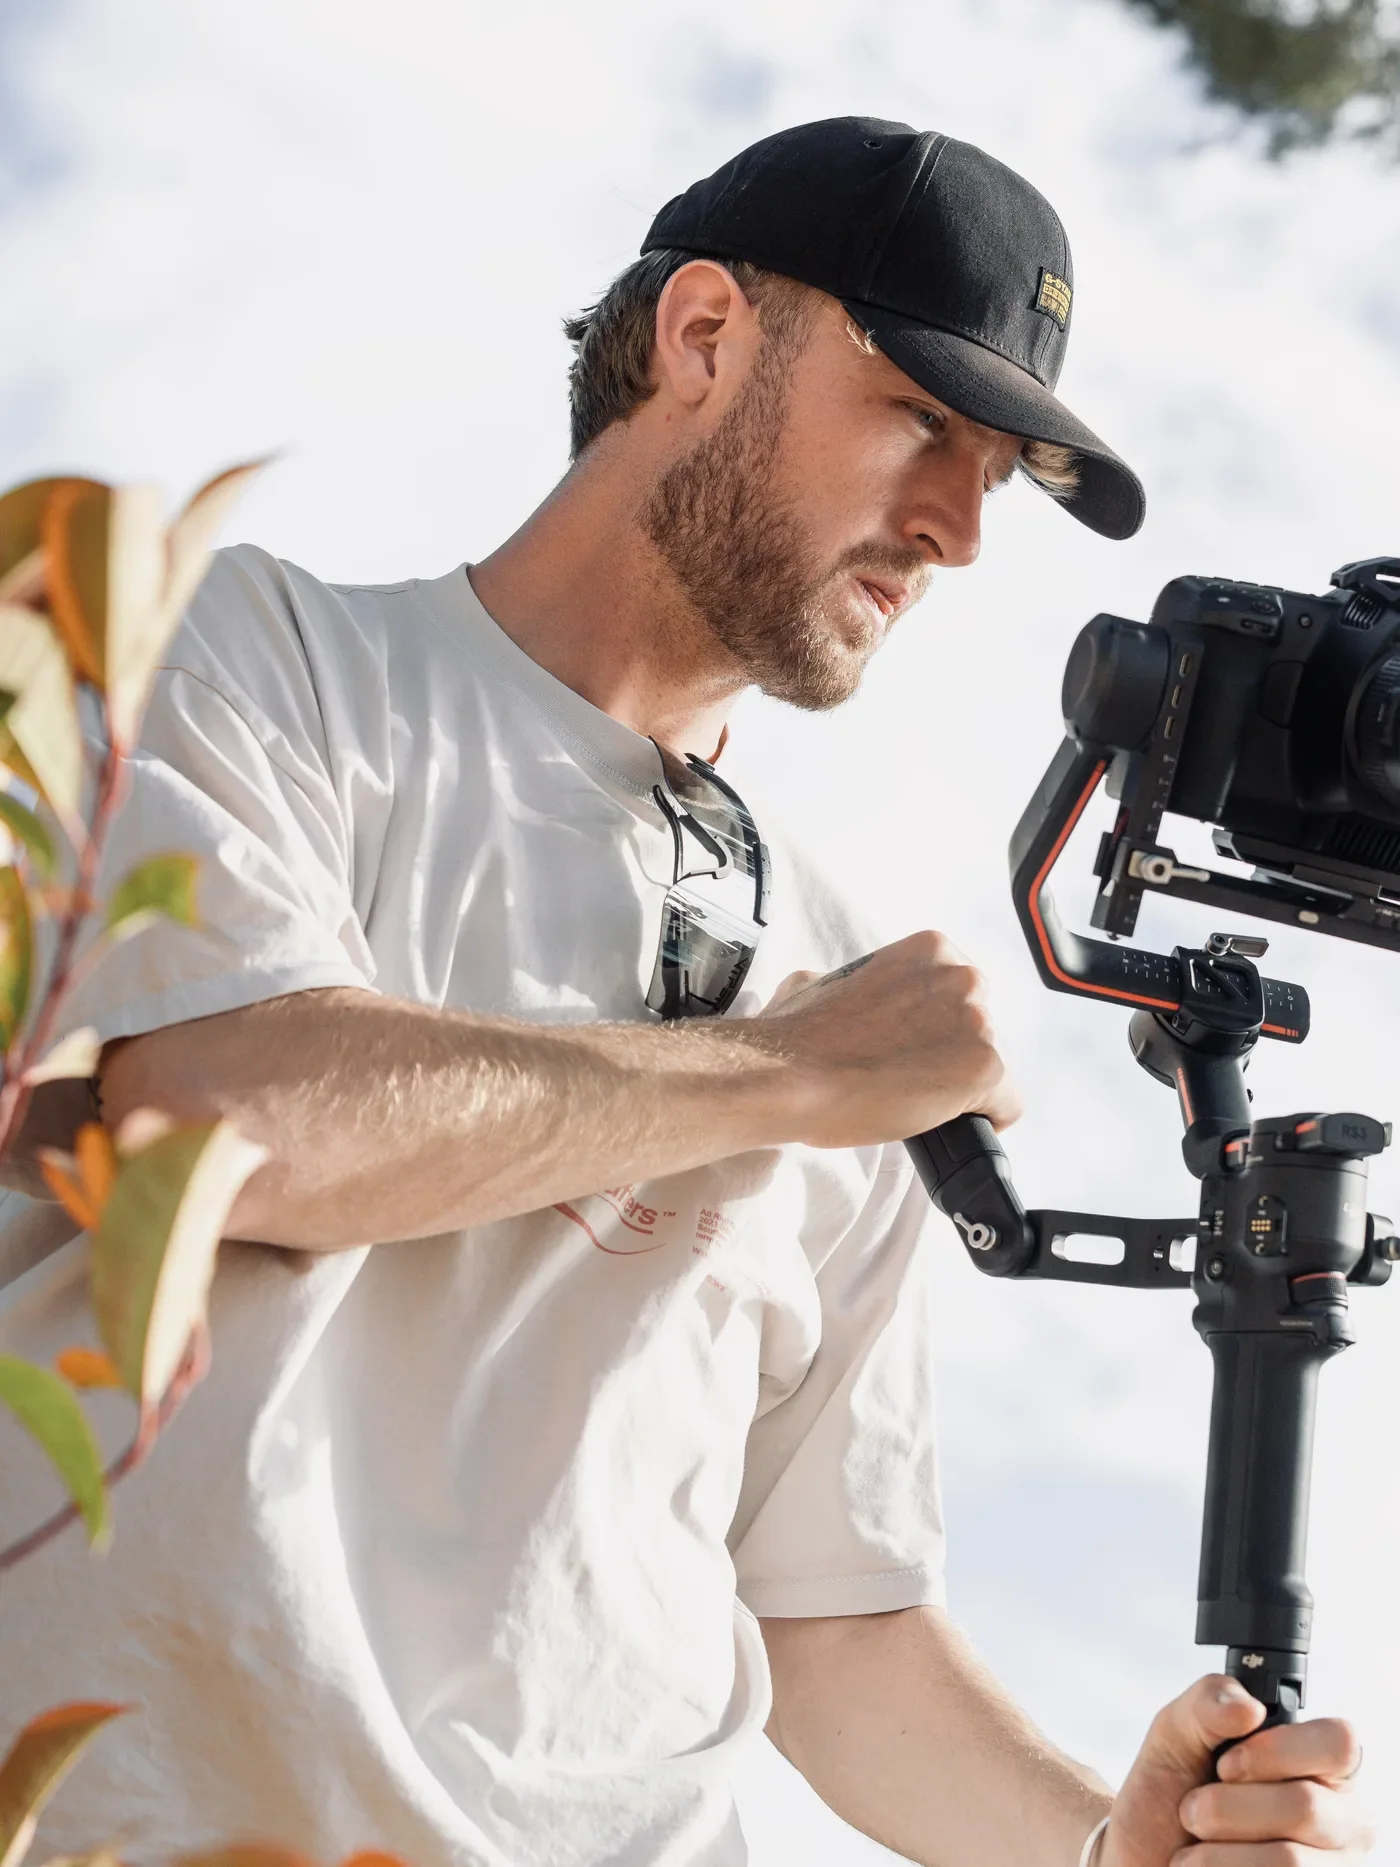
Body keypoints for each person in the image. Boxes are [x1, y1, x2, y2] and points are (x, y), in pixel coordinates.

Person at [0, 118, 1371, 1867]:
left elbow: (834, 1616)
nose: (956, 529)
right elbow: (228, 1126)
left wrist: (1118, 1845)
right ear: (705, 333)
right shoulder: (255, 656)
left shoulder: (858, 987)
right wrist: (787, 1074)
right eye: (924, 423)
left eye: (1000, 479)